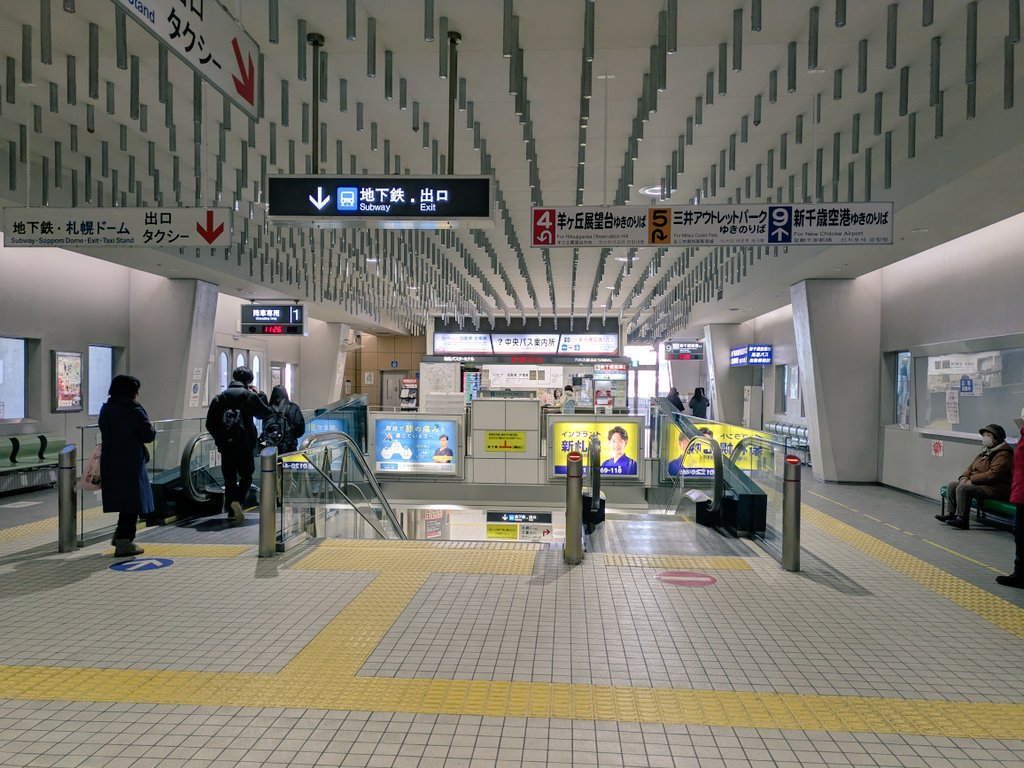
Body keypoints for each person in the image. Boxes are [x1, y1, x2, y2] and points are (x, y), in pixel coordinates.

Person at [99, 375, 156, 557]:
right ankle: (124, 541)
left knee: (124, 499)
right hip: (130, 461)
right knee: (133, 501)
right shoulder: (133, 409)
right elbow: (148, 434)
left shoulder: (106, 408)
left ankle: (119, 535)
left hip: (110, 459)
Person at [206, 366, 271, 523]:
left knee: (229, 477)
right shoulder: (250, 396)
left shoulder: (219, 398)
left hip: (226, 446)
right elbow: (265, 413)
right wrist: (260, 396)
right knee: (246, 475)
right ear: (248, 381)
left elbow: (210, 423)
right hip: (245, 445)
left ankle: (231, 511)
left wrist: (221, 439)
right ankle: (238, 501)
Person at [936, 423, 1013, 530]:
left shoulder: (1003, 454)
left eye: (988, 435)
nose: (985, 438)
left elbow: (993, 475)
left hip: (995, 488)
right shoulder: (985, 452)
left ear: (997, 438)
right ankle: (951, 514)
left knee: (963, 488)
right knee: (953, 485)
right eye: (984, 435)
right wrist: (964, 478)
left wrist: (971, 480)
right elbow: (970, 468)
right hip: (982, 485)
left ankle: (963, 520)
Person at [996, 410, 1024, 588]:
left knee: (1021, 534)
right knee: (1020, 534)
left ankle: (1020, 574)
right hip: (1020, 493)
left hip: (1022, 494)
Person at [261, 385, 305, 452]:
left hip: (270, 448)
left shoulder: (268, 409)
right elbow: (300, 429)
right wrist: (291, 436)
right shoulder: (293, 407)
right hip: (289, 448)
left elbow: (264, 428)